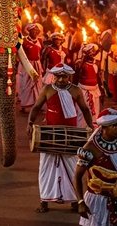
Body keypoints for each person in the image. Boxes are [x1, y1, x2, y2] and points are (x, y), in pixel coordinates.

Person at [27, 64, 94, 213]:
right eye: (58, 76)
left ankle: (75, 201)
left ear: (69, 76)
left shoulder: (76, 90)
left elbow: (85, 109)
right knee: (46, 169)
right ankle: (44, 200)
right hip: (50, 135)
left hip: (71, 135)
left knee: (72, 168)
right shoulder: (47, 89)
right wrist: (30, 123)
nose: (61, 79)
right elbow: (36, 107)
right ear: (54, 76)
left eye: (65, 76)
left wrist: (91, 126)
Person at [74, 108, 117, 226]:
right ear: (104, 127)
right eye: (114, 125)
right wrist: (80, 202)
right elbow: (77, 177)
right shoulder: (90, 149)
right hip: (96, 201)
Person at [75, 43, 104, 128]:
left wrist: (101, 90)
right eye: (90, 53)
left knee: (95, 112)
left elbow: (98, 78)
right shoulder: (80, 64)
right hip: (83, 92)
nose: (93, 55)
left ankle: (92, 133)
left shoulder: (96, 64)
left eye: (94, 53)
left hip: (95, 92)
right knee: (83, 112)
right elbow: (75, 77)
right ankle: (81, 132)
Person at [18, 23, 43, 113]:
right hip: (27, 65)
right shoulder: (23, 41)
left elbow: (41, 54)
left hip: (37, 64)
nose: (35, 32)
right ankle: (25, 105)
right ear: (29, 31)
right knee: (27, 85)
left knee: (37, 85)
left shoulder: (40, 40)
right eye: (33, 31)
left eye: (36, 31)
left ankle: (36, 105)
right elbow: (20, 54)